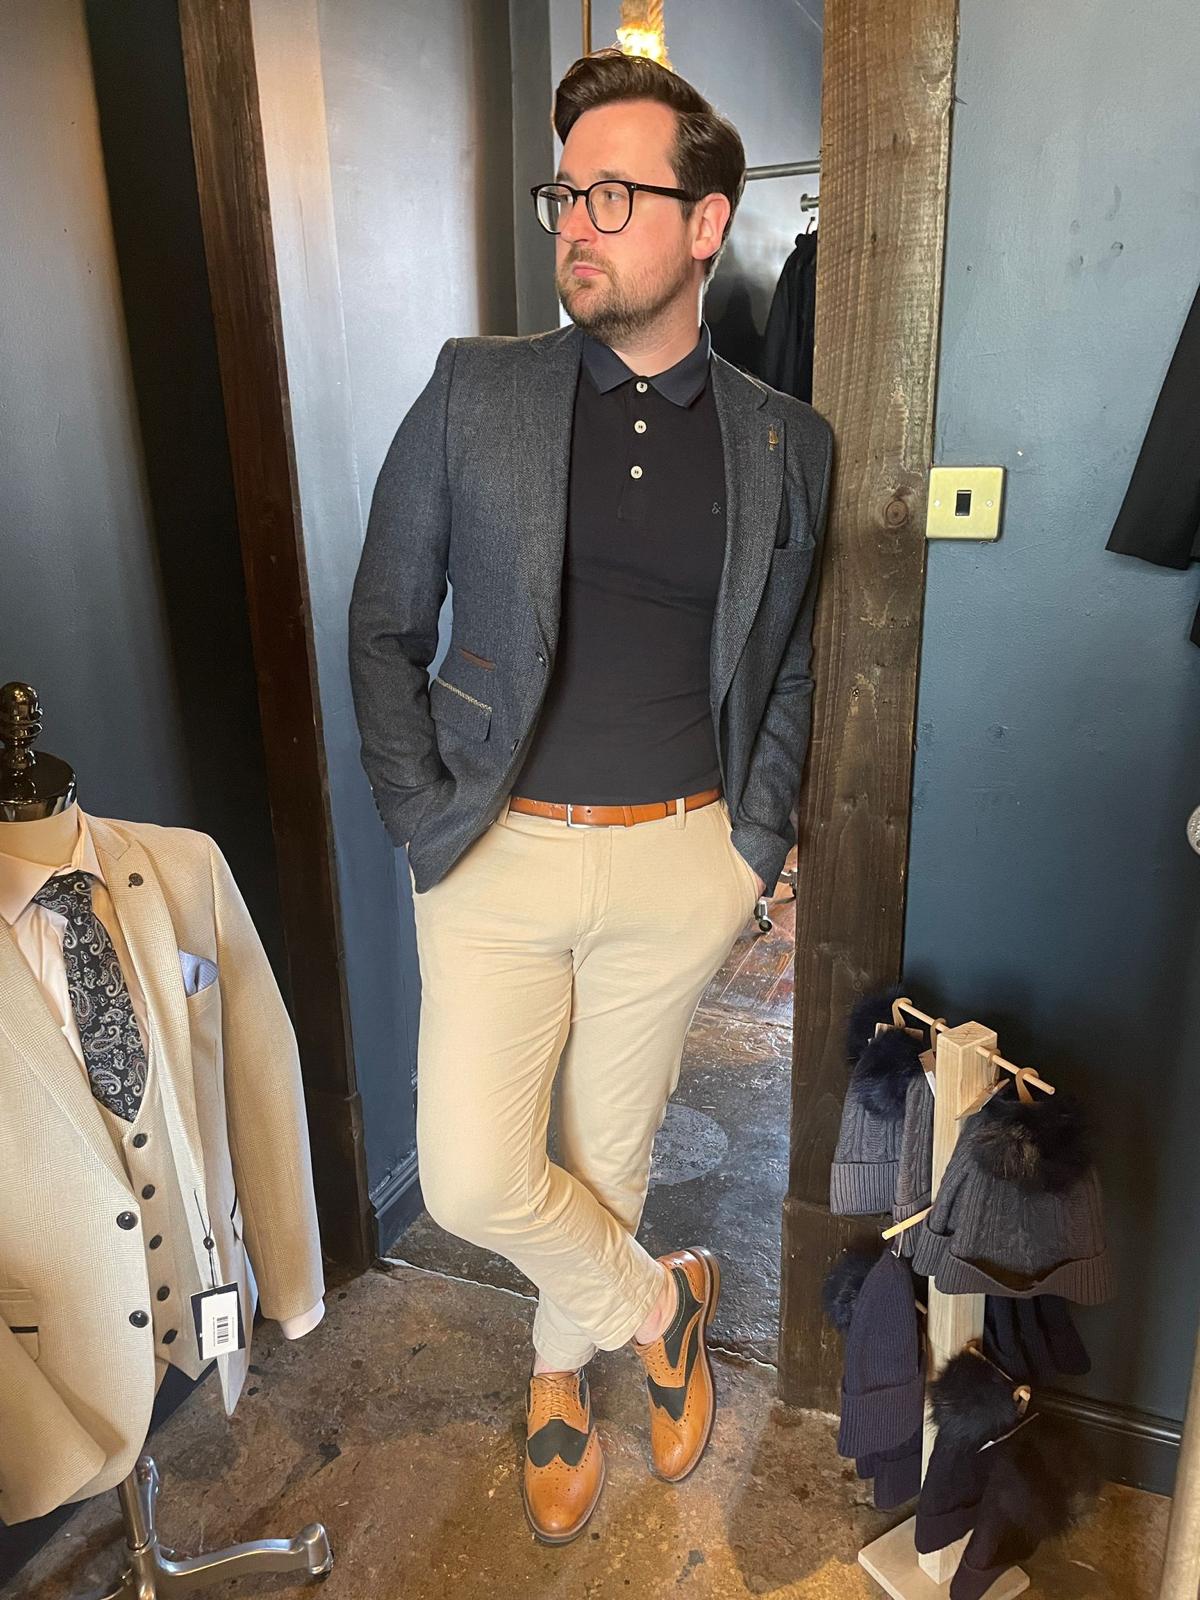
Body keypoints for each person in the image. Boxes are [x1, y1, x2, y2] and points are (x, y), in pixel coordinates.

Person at [348, 47, 833, 1545]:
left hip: (682, 867)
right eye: (570, 188)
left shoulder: (784, 443)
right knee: (483, 1175)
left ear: (706, 224)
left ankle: (558, 1378)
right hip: (494, 856)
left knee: (608, 1154)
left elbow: (796, 666)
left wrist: (749, 852)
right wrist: (431, 829)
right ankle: (661, 1306)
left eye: (618, 193)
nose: (578, 218)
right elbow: (381, 623)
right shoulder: (474, 389)